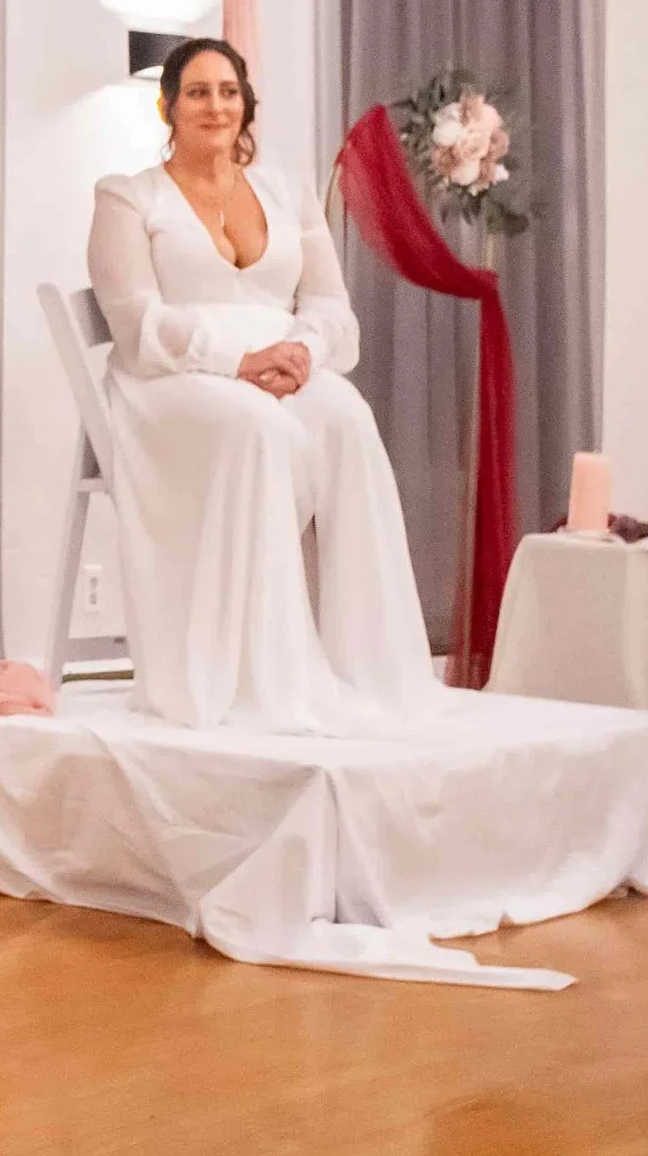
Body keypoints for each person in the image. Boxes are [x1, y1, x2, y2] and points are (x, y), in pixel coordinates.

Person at [85, 39, 443, 734]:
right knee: (260, 429)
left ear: (246, 102)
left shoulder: (288, 192)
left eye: (227, 90)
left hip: (280, 362)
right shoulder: (128, 196)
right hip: (170, 379)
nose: (214, 105)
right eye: (196, 91)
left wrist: (304, 353)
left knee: (348, 419)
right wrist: (239, 359)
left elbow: (333, 307)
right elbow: (138, 324)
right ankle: (264, 677)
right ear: (168, 106)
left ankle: (370, 669)